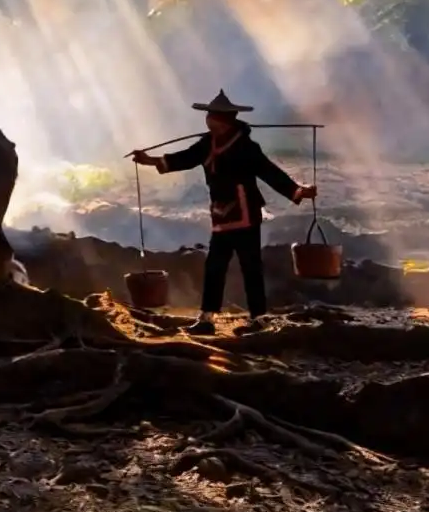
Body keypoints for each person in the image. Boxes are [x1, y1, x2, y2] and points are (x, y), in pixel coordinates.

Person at [131, 90, 316, 335]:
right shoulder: (207, 143)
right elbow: (183, 158)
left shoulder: (246, 146)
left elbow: (269, 172)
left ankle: (259, 318)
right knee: (214, 266)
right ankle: (207, 318)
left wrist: (297, 191)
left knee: (251, 266)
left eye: (214, 117)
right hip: (220, 215)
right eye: (209, 116)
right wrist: (149, 160)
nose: (209, 120)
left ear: (227, 120)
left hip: (246, 213)